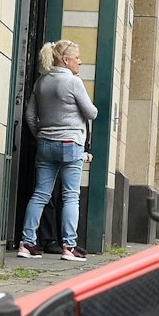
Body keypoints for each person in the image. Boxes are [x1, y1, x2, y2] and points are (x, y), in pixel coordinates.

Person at [20, 39, 97, 260]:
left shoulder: (41, 82)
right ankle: (69, 247)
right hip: (70, 144)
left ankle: (27, 244)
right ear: (65, 59)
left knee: (40, 194)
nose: (80, 62)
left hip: (45, 143)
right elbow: (91, 113)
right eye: (77, 57)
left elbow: (29, 116)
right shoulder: (73, 82)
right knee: (71, 196)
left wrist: (41, 135)